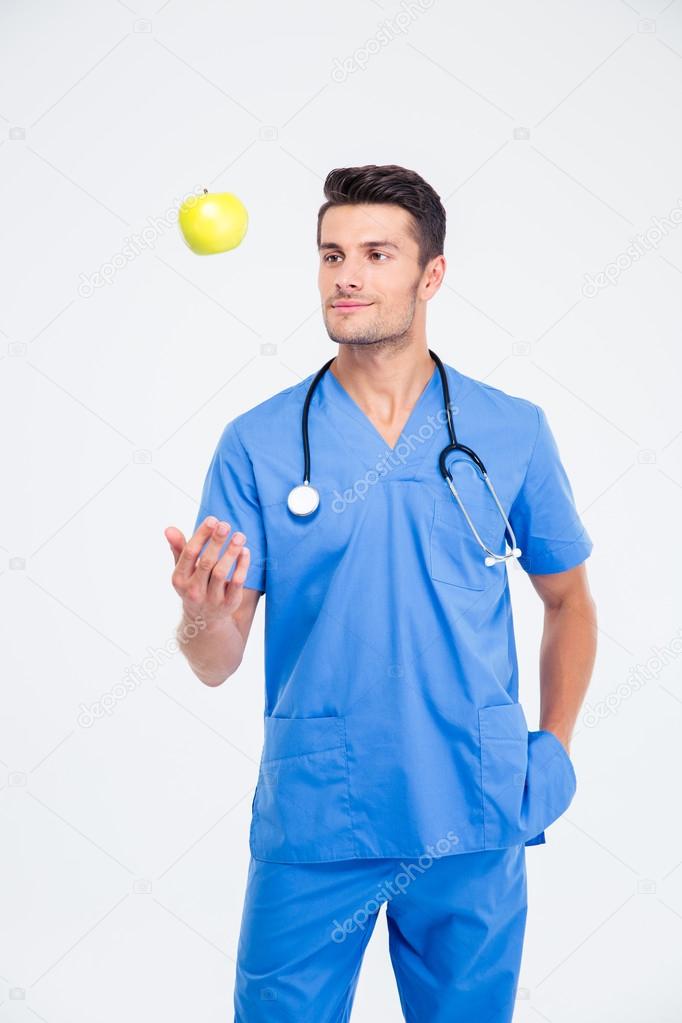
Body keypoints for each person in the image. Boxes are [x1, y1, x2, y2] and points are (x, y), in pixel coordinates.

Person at [165, 164, 598, 1023]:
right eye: (331, 256)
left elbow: (569, 601)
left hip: (472, 807)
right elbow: (215, 663)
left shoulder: (510, 429)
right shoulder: (257, 443)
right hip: (321, 812)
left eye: (374, 253)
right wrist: (199, 610)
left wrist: (554, 744)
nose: (347, 277)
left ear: (430, 275)